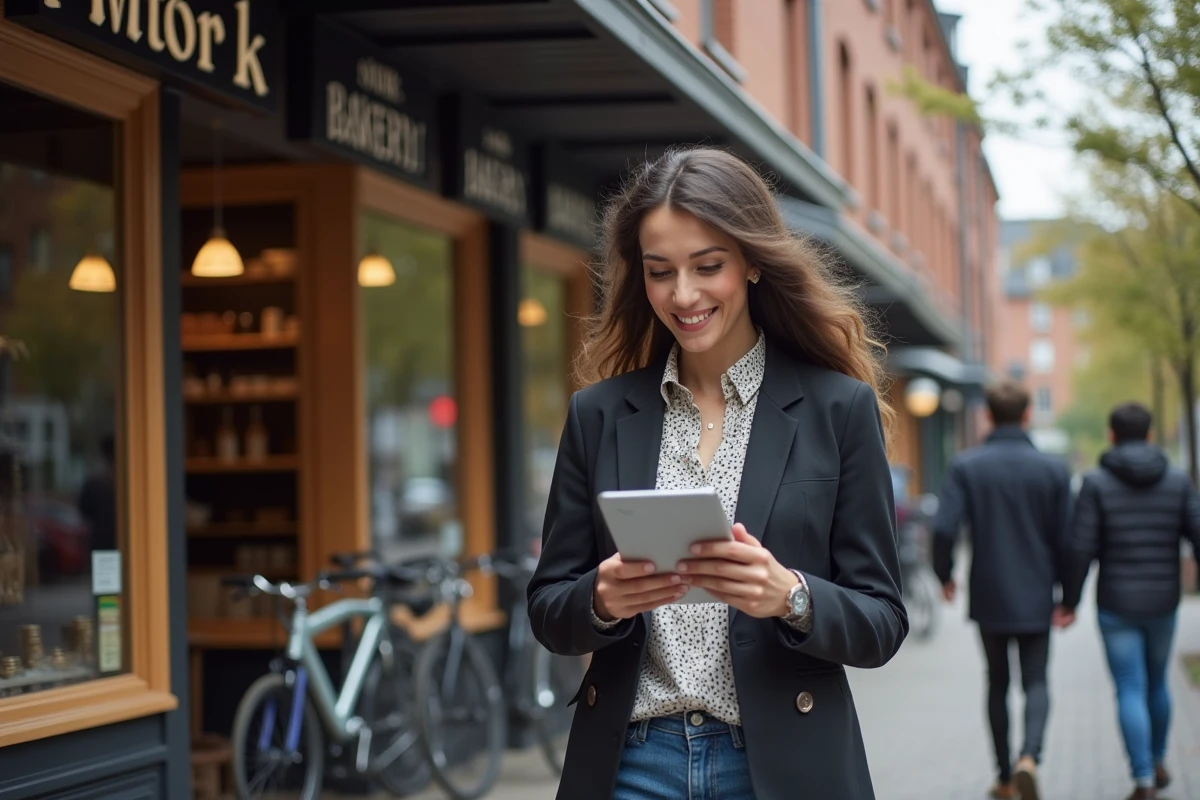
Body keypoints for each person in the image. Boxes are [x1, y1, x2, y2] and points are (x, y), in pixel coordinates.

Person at [526, 147, 908, 800]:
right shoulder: (598, 415)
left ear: (753, 261)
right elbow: (548, 609)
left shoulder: (835, 410)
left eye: (708, 266)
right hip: (632, 764)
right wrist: (600, 599)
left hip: (778, 767)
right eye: (660, 271)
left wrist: (791, 596)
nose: (683, 294)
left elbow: (881, 622)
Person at [931, 381, 1072, 800]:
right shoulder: (1053, 469)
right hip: (1037, 592)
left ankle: (1006, 777)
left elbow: (942, 528)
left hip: (990, 592)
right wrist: (1071, 595)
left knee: (996, 682)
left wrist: (945, 575)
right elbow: (1069, 540)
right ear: (1028, 415)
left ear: (988, 416)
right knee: (1036, 682)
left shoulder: (967, 465)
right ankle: (1030, 756)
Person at [1060, 402, 1200, 800]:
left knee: (1129, 688)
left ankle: (1141, 778)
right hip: (1164, 601)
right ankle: (1157, 760)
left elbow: (1079, 548)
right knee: (1158, 683)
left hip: (1116, 604)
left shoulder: (1096, 482)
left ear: (1112, 435)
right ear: (1151, 435)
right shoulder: (1177, 481)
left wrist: (1069, 601)